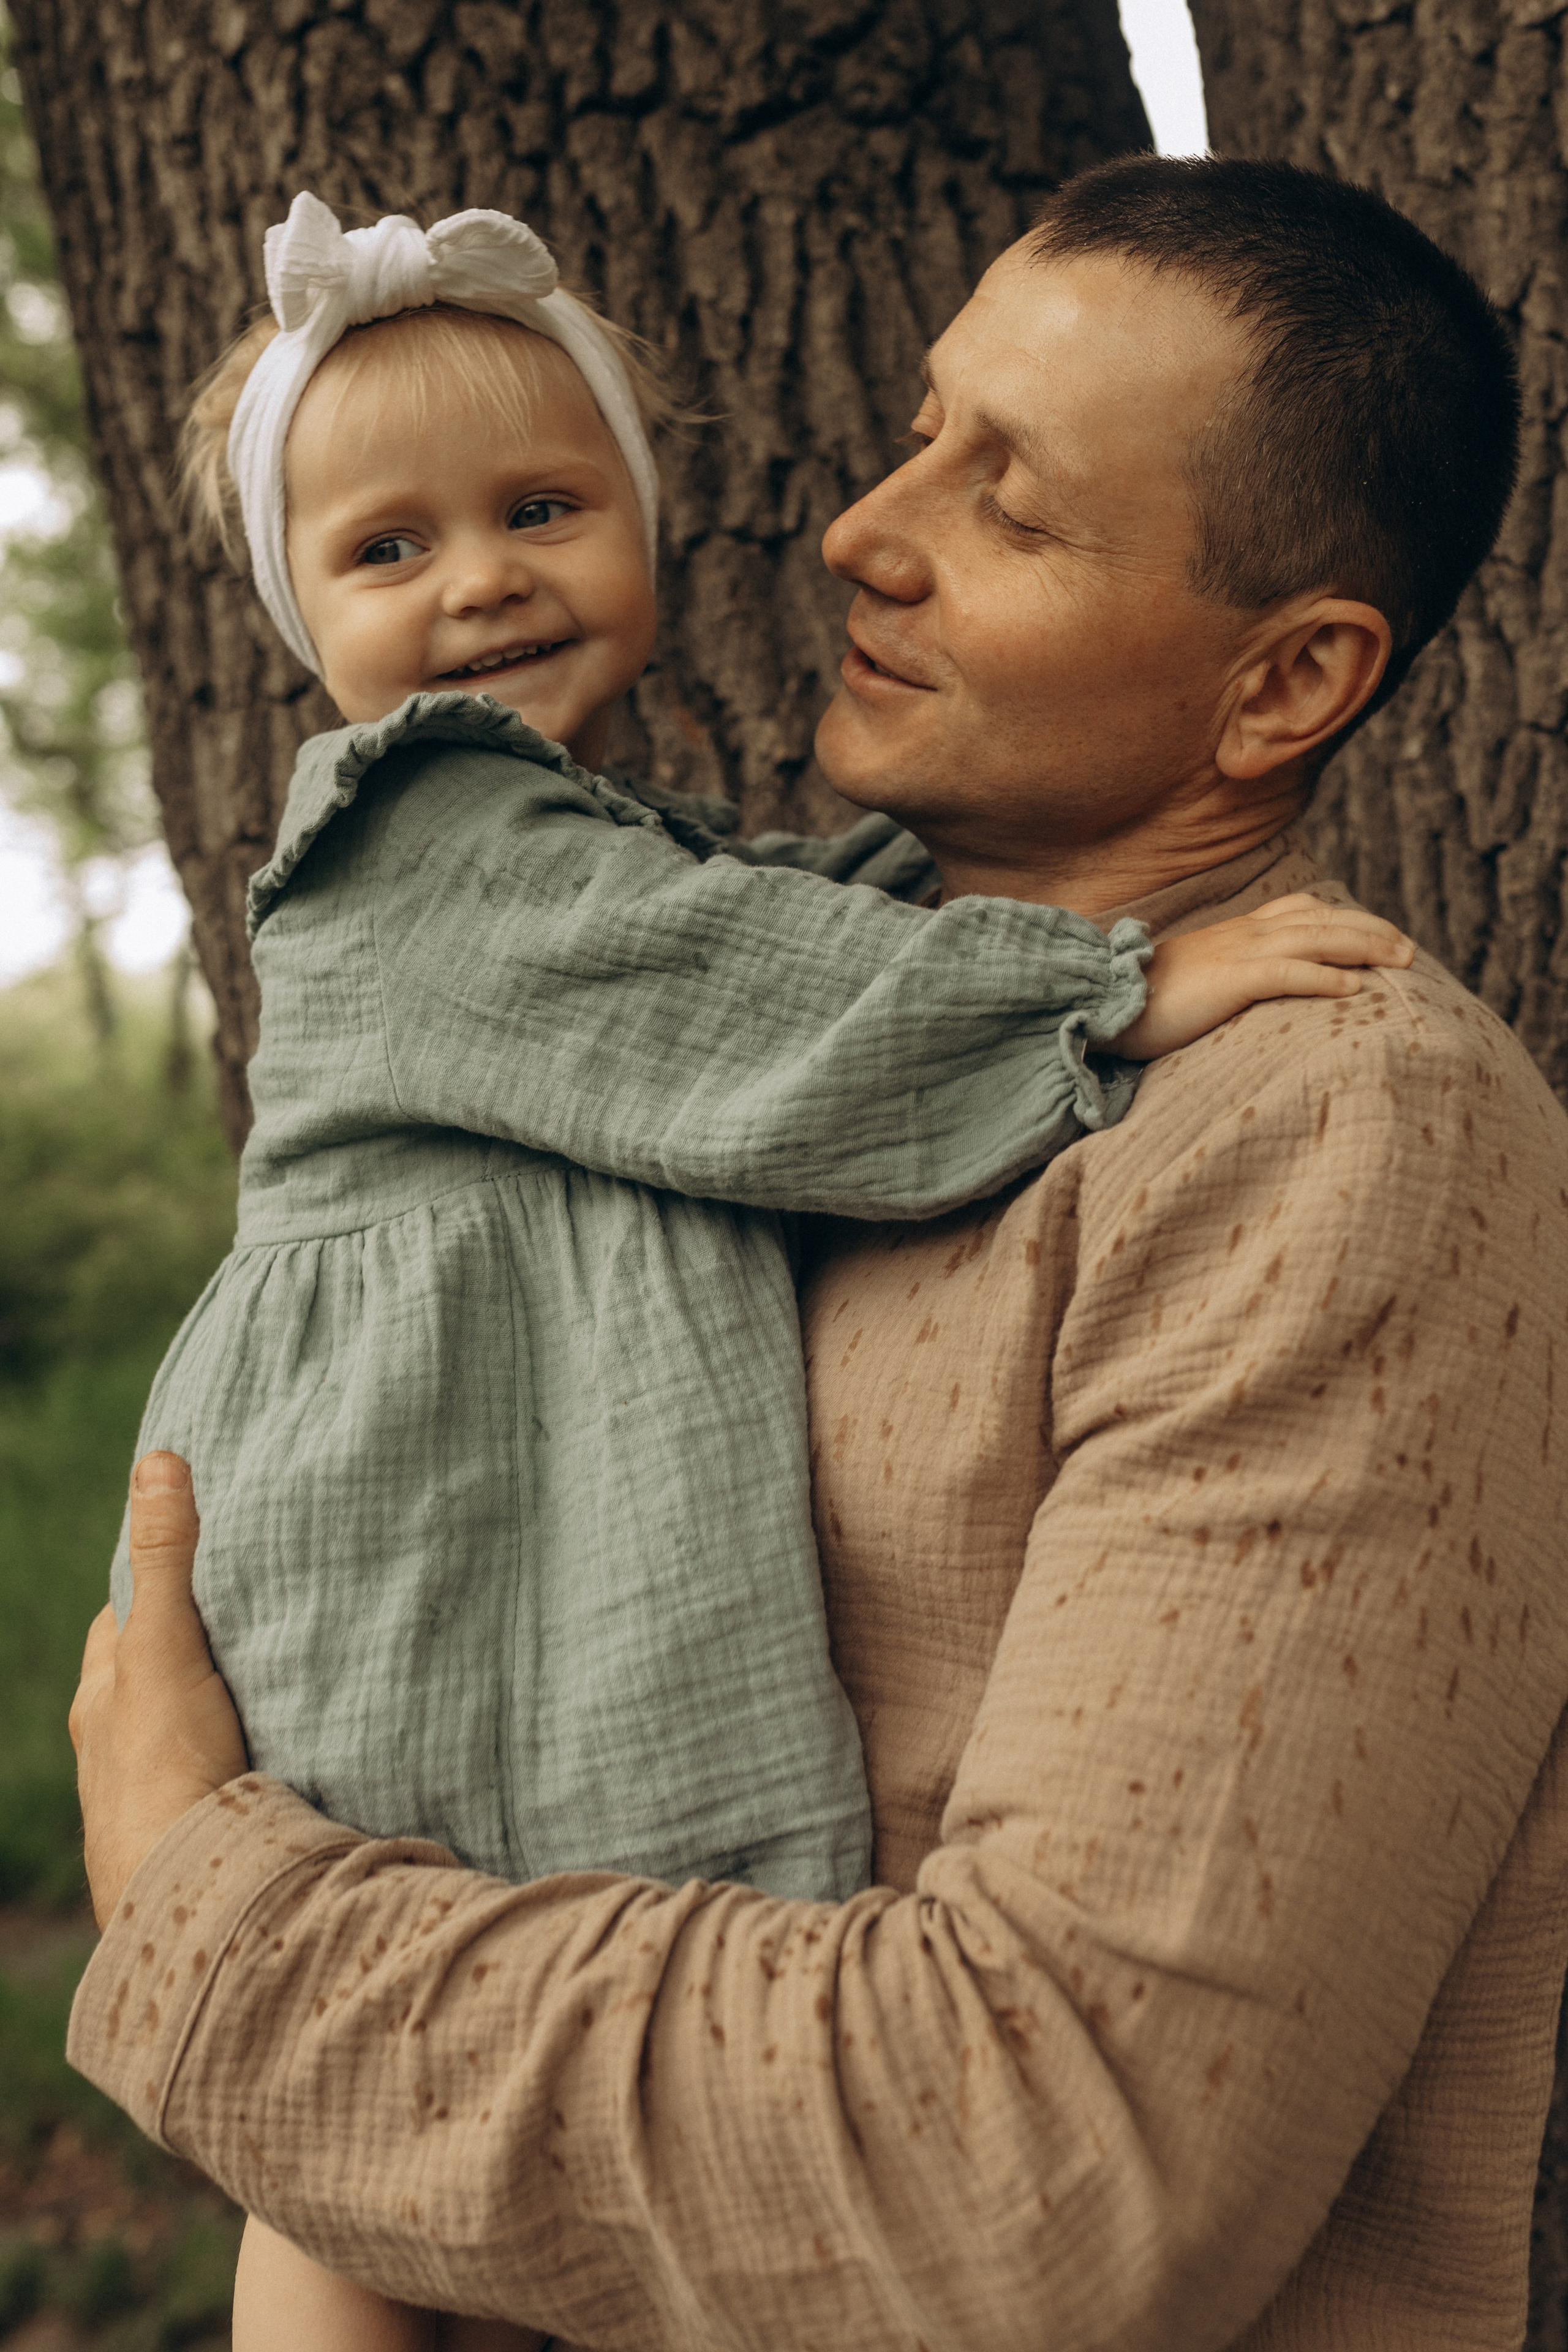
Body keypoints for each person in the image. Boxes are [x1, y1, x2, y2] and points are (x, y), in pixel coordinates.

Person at [69, 156, 1568, 2352]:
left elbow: (1040, 2187)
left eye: (1015, 503)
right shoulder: (794, 1003)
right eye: (924, 426)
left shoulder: (1329, 1129)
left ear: (1284, 690)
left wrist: (219, 1921)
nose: (867, 525)